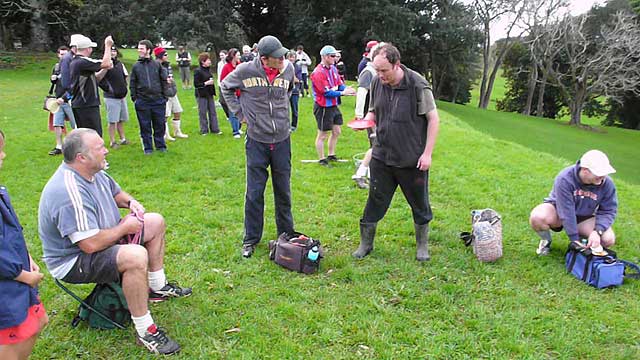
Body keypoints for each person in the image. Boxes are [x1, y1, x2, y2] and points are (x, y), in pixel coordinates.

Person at [38, 128, 192, 355]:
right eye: (100, 148)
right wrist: (124, 228)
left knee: (155, 222)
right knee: (135, 256)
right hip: (73, 261)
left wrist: (131, 203)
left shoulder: (93, 171)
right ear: (81, 157)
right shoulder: (69, 191)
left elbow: (116, 193)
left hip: (99, 240)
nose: (106, 150)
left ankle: (158, 287)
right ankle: (146, 330)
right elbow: (89, 245)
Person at [352, 43, 440, 262]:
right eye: (377, 70)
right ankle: (366, 244)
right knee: (375, 200)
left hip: (411, 159)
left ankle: (422, 246)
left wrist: (427, 154)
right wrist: (367, 122)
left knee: (420, 204)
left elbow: (433, 119)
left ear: (397, 64)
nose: (380, 75)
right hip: (382, 156)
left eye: (384, 70)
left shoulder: (417, 85)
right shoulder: (376, 81)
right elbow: (373, 110)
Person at [221, 35, 295, 258]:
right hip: (256, 141)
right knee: (254, 192)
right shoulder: (245, 71)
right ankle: (251, 239)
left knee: (283, 190)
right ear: (264, 59)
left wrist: (282, 116)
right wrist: (241, 114)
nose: (283, 59)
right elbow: (225, 88)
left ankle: (287, 235)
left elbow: (289, 92)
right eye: (277, 57)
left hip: (282, 139)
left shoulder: (288, 70)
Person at [0, 130, 49, 360]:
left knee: (37, 322)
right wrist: (23, 275)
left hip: (18, 275)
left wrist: (28, 257)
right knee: (13, 341)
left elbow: (12, 233)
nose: (4, 155)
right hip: (7, 288)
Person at [530, 150, 618, 256]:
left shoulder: (607, 184)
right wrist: (574, 238)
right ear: (585, 170)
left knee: (608, 239)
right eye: (599, 173)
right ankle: (546, 241)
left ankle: (586, 244)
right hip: (558, 212)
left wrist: (597, 231)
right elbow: (566, 211)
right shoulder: (565, 178)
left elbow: (608, 210)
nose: (603, 176)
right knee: (538, 217)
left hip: (584, 217)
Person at [310, 45, 356, 166]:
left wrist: (347, 89)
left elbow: (339, 84)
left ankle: (331, 154)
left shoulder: (333, 69)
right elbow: (326, 92)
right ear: (325, 57)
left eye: (336, 55)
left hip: (333, 106)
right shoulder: (318, 72)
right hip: (323, 107)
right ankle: (321, 158)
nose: (335, 58)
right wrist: (343, 93)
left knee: (337, 131)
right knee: (323, 134)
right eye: (332, 56)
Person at [66, 34, 114, 137]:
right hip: (86, 104)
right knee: (93, 136)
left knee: (86, 136)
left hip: (82, 104)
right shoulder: (82, 61)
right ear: (88, 49)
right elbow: (106, 62)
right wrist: (108, 45)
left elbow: (96, 78)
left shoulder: (78, 63)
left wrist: (105, 68)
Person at [351, 42, 384, 189]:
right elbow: (361, 93)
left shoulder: (377, 71)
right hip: (370, 117)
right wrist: (360, 117)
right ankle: (360, 174)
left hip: (379, 115)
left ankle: (371, 175)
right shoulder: (368, 72)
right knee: (376, 145)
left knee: (377, 145)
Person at [130, 40, 168, 154]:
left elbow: (163, 80)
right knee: (145, 125)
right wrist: (134, 98)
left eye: (141, 48)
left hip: (158, 100)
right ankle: (148, 148)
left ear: (148, 50)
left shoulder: (157, 64)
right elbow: (132, 83)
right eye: (138, 48)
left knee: (160, 124)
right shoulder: (136, 66)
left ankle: (161, 146)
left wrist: (164, 96)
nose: (139, 50)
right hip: (143, 101)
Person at [100, 46, 130, 149]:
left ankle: (123, 139)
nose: (113, 53)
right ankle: (113, 141)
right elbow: (99, 79)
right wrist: (109, 89)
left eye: (114, 51)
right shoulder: (104, 64)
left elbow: (125, 76)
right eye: (111, 51)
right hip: (111, 97)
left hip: (122, 96)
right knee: (112, 120)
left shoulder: (120, 64)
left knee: (121, 119)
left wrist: (125, 87)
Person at [48, 45, 77, 156]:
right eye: (61, 54)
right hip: (57, 100)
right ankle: (59, 146)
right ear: (58, 55)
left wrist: (65, 97)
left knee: (75, 125)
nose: (63, 56)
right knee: (57, 124)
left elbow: (73, 86)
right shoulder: (56, 67)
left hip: (69, 100)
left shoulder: (72, 67)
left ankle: (76, 146)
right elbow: (54, 82)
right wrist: (53, 79)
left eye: (65, 54)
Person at [155, 47, 188, 141]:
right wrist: (165, 81)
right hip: (164, 94)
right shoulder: (156, 66)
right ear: (160, 56)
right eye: (165, 55)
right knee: (165, 115)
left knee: (178, 111)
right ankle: (165, 134)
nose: (167, 56)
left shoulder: (167, 65)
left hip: (172, 91)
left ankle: (177, 132)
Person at [193, 52, 222, 136]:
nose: (210, 61)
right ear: (203, 62)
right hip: (201, 94)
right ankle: (204, 130)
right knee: (202, 112)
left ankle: (215, 129)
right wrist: (206, 83)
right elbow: (196, 84)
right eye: (208, 60)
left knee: (213, 112)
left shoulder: (208, 70)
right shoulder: (197, 71)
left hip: (209, 93)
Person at [219, 49, 242, 138]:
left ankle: (239, 128)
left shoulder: (240, 66)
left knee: (240, 111)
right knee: (233, 112)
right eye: (238, 55)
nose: (239, 57)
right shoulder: (226, 67)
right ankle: (235, 131)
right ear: (233, 56)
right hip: (231, 93)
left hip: (240, 92)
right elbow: (223, 81)